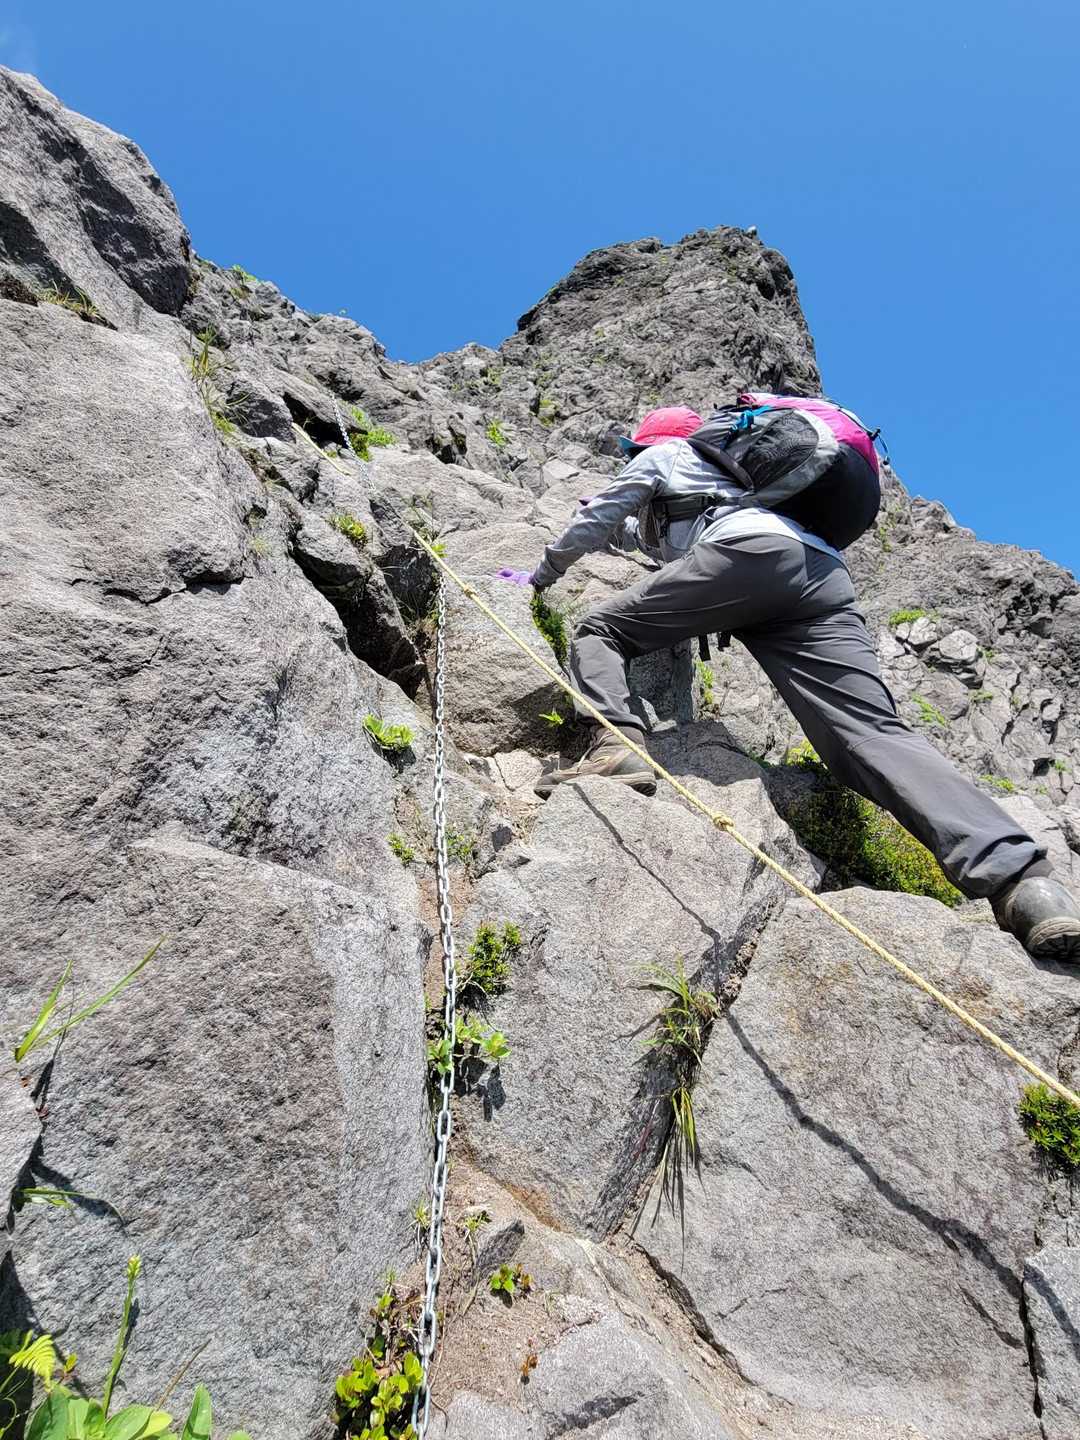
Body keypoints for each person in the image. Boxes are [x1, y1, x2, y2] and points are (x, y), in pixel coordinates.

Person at [519, 402, 1080, 963]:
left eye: (632, 452)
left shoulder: (667, 454)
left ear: (647, 443)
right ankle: (1025, 885)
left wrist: (540, 576)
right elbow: (641, 535)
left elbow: (604, 516)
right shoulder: (738, 484)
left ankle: (616, 747)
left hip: (744, 560)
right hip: (818, 573)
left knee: (600, 630)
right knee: (867, 736)